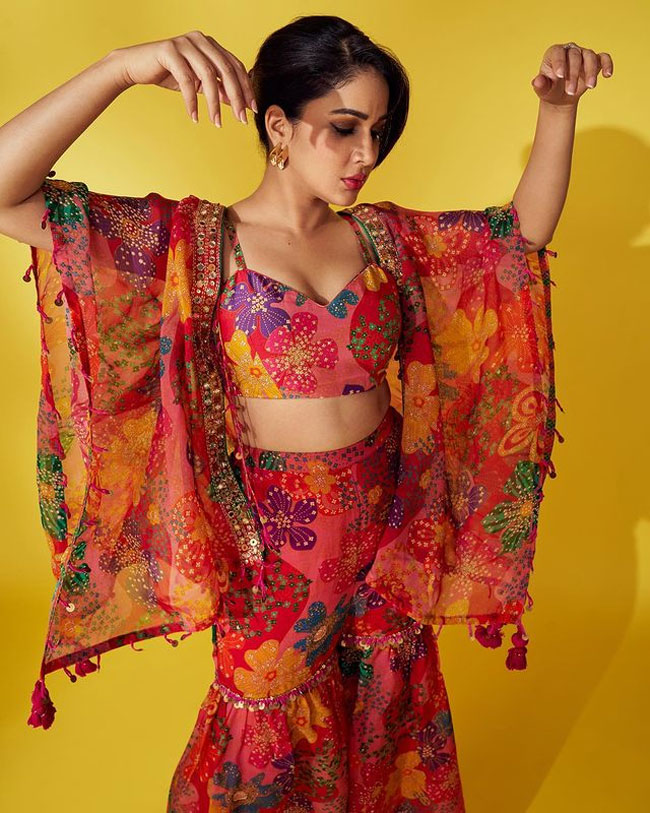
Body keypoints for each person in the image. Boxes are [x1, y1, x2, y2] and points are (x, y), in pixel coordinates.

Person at [1, 13, 611, 812]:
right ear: (279, 126)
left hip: (386, 537)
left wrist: (557, 110)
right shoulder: (195, 242)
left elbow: (517, 237)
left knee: (382, 716)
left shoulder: (385, 240)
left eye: (379, 131)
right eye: (345, 127)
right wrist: (120, 67)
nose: (367, 154)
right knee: (260, 728)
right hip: (273, 553)